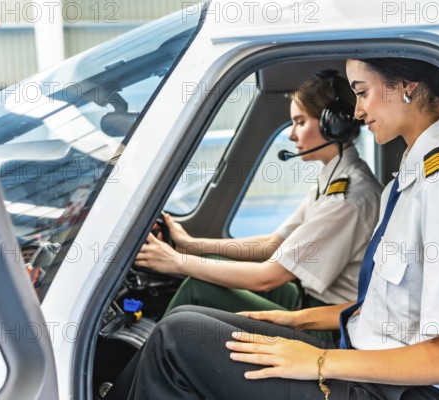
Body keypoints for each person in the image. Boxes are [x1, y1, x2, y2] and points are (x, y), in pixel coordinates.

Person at [124, 57, 439, 400]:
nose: (356, 112)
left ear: (406, 86)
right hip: (361, 360)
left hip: (390, 389)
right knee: (187, 318)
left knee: (174, 339)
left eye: (362, 92)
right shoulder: (409, 179)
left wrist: (318, 361)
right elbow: (378, 309)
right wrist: (296, 321)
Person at [135, 71, 383, 334]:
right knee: (211, 259)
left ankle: (144, 364)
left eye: (300, 122)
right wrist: (190, 246)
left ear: (333, 124)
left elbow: (268, 278)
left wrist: (175, 261)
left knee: (199, 288)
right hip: (311, 300)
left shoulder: (347, 198)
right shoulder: (334, 177)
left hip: (331, 326)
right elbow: (272, 244)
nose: (291, 135)